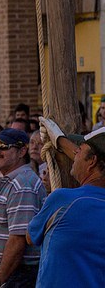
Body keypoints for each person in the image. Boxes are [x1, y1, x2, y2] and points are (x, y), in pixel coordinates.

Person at [28, 118, 105, 286]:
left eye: (79, 152)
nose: (74, 155)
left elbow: (30, 236)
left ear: (92, 162)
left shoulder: (62, 200)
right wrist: (60, 141)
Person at [0, 128, 46, 288]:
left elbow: (18, 239)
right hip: (11, 274)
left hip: (18, 274)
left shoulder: (22, 185)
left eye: (3, 147)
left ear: (22, 151)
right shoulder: (14, 181)